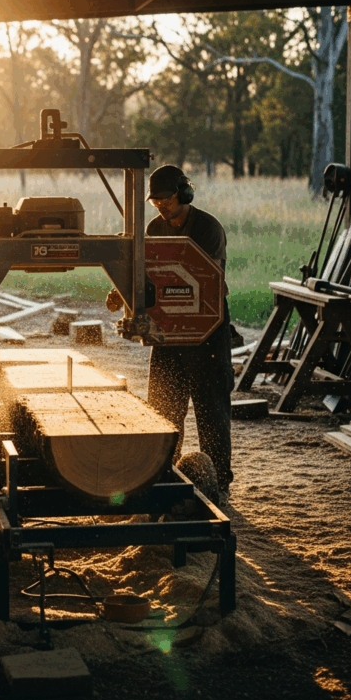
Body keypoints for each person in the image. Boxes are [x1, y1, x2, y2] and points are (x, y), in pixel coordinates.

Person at [107, 164, 235, 498]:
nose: (161, 206)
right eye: (156, 201)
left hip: (206, 329)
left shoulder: (207, 228)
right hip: (167, 329)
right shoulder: (153, 227)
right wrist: (123, 292)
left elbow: (206, 281)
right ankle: (164, 473)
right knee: (164, 407)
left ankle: (219, 482)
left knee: (211, 409)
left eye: (167, 199)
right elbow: (146, 275)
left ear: (184, 193)